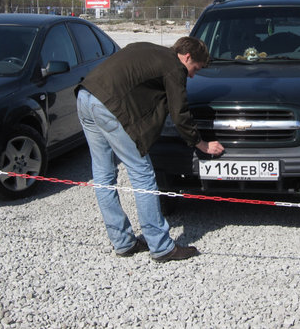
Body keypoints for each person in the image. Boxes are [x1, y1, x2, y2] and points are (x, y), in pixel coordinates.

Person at [76, 36, 225, 262]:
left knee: (104, 175)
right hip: (108, 106)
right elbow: (180, 114)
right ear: (187, 57)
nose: (193, 74)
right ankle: (161, 246)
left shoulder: (147, 48)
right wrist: (202, 144)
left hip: (86, 95)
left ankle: (123, 242)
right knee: (143, 174)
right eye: (196, 68)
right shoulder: (174, 68)